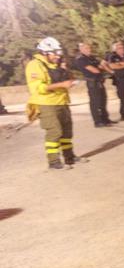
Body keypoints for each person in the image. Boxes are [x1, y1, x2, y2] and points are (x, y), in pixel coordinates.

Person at [26, 37, 88, 169]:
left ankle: (69, 158)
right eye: (55, 53)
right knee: (54, 132)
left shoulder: (57, 64)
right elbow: (38, 88)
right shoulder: (35, 65)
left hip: (62, 102)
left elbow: (65, 79)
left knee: (66, 132)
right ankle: (53, 162)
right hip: (46, 104)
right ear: (45, 52)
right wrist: (62, 84)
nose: (58, 56)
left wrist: (67, 74)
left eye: (59, 52)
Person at [74, 42, 114, 127]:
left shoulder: (92, 58)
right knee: (95, 102)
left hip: (99, 81)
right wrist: (101, 66)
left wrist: (102, 66)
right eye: (86, 48)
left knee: (103, 100)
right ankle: (97, 121)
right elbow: (95, 70)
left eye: (89, 48)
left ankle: (105, 119)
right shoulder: (81, 59)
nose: (89, 50)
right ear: (81, 49)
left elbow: (100, 67)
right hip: (92, 82)